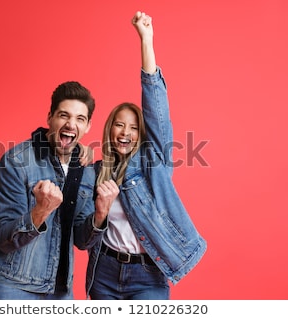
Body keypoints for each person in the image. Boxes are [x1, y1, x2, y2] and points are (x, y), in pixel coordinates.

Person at [86, 11, 207, 300]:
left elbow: (155, 107)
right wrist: (99, 211)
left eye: (133, 127)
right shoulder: (94, 173)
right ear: (109, 130)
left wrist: (146, 40)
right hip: (103, 273)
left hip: (147, 277)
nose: (125, 132)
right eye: (119, 125)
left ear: (141, 135)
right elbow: (83, 235)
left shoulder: (153, 162)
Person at [0, 80, 114, 300]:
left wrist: (101, 215)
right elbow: (2, 238)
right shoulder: (17, 163)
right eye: (64, 115)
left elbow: (81, 241)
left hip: (60, 290)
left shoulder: (84, 169)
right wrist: (40, 212)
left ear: (88, 127)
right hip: (14, 286)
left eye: (79, 119)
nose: (71, 124)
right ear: (50, 118)